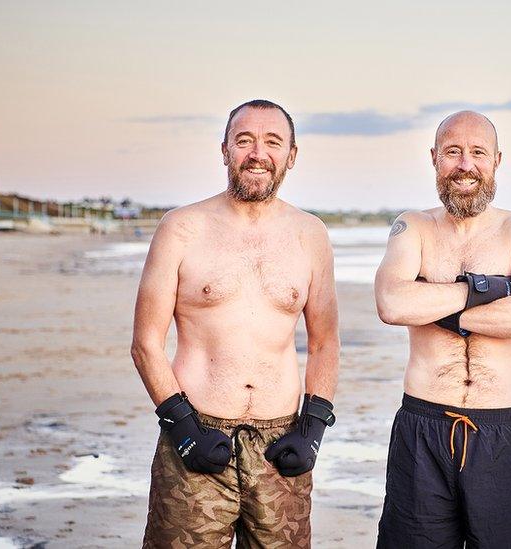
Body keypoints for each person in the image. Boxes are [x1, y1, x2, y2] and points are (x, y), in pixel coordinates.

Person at [131, 99, 339, 548]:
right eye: (244, 141)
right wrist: (182, 427)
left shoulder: (310, 235)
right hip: (196, 432)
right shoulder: (181, 228)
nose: (257, 153)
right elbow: (146, 343)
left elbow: (324, 343)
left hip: (282, 445)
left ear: (292, 155)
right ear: (224, 150)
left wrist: (314, 430)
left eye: (272, 142)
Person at [373, 111, 511, 548]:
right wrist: (483, 291)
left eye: (478, 153)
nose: (465, 164)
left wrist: (434, 304)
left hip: (502, 433)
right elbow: (392, 302)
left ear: (497, 160)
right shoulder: (413, 226)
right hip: (423, 428)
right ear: (435, 158)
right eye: (453, 152)